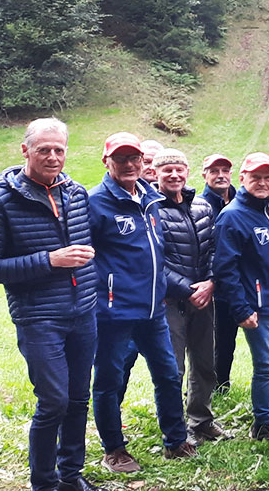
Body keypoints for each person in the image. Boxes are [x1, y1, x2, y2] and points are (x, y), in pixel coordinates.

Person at [0, 117, 111, 491]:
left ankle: (70, 476)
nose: (53, 156)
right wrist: (50, 260)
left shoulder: (76, 192)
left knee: (78, 398)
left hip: (83, 310)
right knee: (53, 400)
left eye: (59, 149)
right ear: (25, 151)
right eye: (44, 149)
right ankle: (42, 488)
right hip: (39, 317)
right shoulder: (0, 201)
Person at [88, 132, 195, 471]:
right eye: (121, 159)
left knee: (167, 374)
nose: (130, 164)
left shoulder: (150, 198)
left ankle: (176, 441)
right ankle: (114, 449)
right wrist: (102, 295)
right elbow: (84, 256)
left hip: (153, 310)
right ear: (107, 162)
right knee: (109, 380)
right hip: (113, 312)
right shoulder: (96, 202)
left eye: (134, 158)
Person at [212, 152, 269, 444]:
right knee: (268, 364)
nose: (262, 182)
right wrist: (241, 308)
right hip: (257, 307)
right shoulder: (233, 216)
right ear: (243, 179)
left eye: (267, 177)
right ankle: (264, 422)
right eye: (255, 177)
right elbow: (224, 268)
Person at [151, 148, 227, 443]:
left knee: (205, 362)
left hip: (204, 298)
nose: (173, 175)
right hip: (171, 301)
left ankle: (202, 419)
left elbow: (212, 251)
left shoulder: (202, 207)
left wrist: (209, 283)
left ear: (187, 172)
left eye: (178, 169)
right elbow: (155, 261)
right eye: (166, 170)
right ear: (156, 174)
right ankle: (175, 427)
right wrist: (186, 288)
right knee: (174, 368)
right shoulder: (151, 208)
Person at [201, 153, 240, 392]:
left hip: (239, 283)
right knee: (215, 340)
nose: (220, 175)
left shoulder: (240, 201)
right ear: (204, 175)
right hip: (214, 285)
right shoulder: (201, 205)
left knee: (229, 340)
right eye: (214, 171)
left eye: (225, 170)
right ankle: (213, 387)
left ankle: (222, 384)